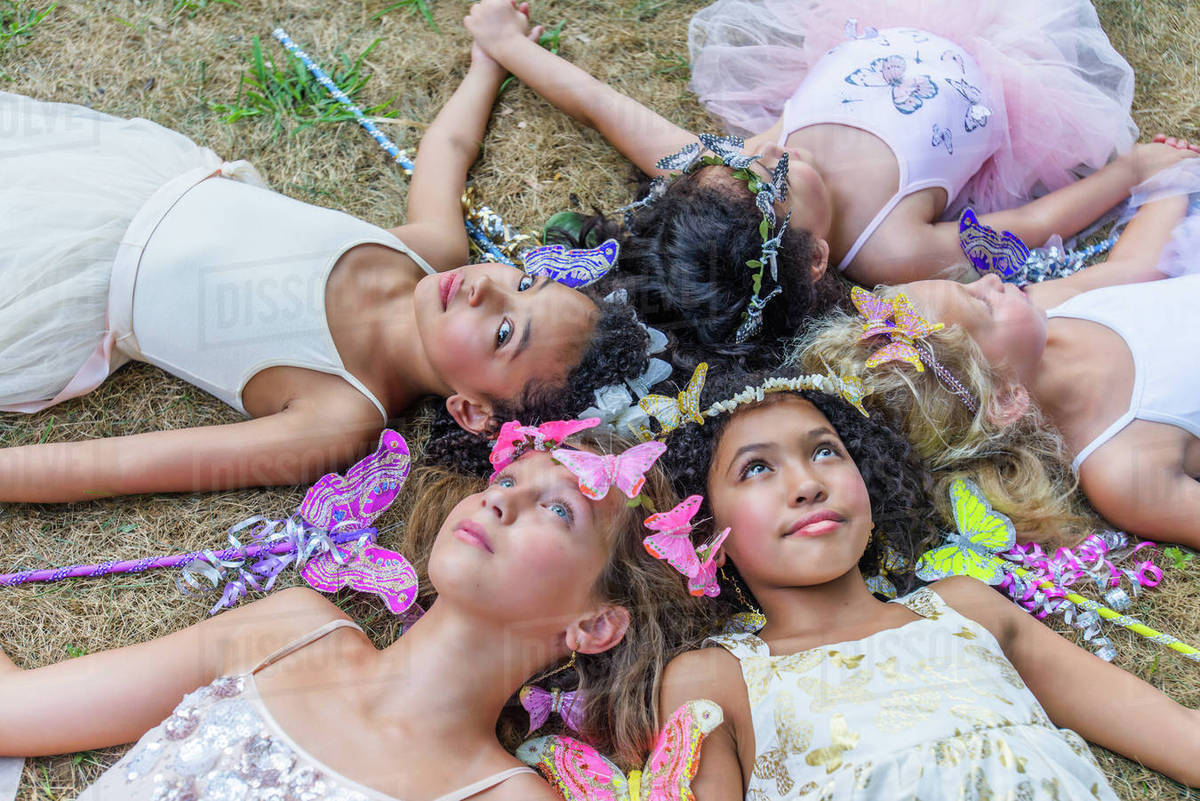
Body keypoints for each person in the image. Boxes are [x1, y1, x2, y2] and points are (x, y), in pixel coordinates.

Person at [0, 17, 654, 503]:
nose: (488, 291)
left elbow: (124, 464)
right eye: (526, 280)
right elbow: (449, 146)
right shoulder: (429, 251)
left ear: (473, 411)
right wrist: (489, 57)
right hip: (121, 181)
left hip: (59, 287)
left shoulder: (342, 416)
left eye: (507, 332)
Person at [0, 425, 711, 798]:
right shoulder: (286, 631)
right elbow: (13, 710)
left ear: (594, 623)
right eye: (506, 476)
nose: (500, 498)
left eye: (557, 508)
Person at [464, 0, 1192, 355]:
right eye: (773, 184)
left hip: (880, 23)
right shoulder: (891, 248)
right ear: (814, 255)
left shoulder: (725, 172)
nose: (766, 156)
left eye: (744, 164)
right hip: (1004, 65)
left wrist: (502, 44)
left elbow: (600, 104)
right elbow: (1029, 227)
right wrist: (1131, 171)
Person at [653, 366, 1200, 799]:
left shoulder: (966, 608)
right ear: (703, 530)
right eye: (756, 468)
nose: (807, 484)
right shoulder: (715, 681)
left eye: (825, 451)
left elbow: (1180, 738)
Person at [799, 163, 1200, 546]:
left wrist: (1166, 184)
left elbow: (1136, 267)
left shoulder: (1049, 309)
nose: (991, 281)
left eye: (971, 288)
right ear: (1006, 398)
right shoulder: (1122, 470)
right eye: (984, 305)